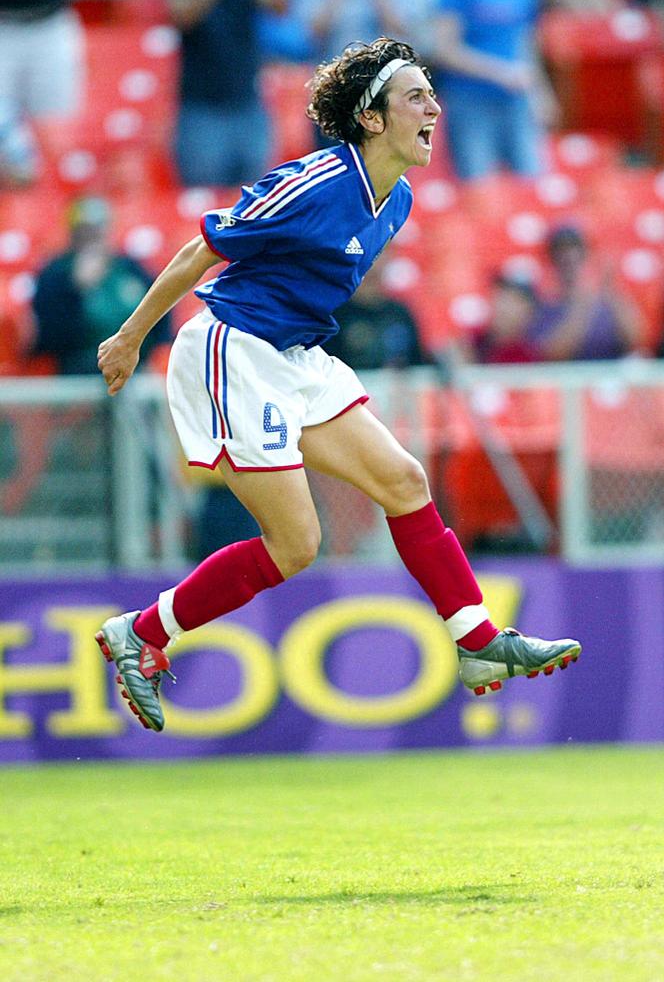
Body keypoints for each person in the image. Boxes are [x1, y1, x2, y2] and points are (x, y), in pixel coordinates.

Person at [95, 37, 580, 732]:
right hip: (236, 348)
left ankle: (478, 645)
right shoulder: (317, 182)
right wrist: (131, 336)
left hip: (297, 355)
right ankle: (142, 632)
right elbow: (201, 250)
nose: (434, 108)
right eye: (417, 96)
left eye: (433, 96)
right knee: (295, 545)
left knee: (405, 482)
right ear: (373, 118)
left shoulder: (399, 199)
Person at [431, 0, 557, 181]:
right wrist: (501, 72)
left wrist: (540, 92)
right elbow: (445, 49)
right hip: (469, 100)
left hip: (515, 99)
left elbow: (524, 42)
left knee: (532, 178)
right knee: (478, 185)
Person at [169, 0, 273, 187]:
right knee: (204, 201)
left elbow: (277, 1)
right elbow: (182, 15)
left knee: (255, 204)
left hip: (247, 105)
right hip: (201, 111)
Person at [32, 197, 170, 375]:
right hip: (77, 370)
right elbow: (47, 336)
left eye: (97, 229)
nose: (92, 237)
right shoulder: (55, 273)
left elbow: (161, 312)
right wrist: (75, 289)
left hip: (134, 367)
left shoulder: (130, 268)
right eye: (85, 231)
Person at [0, 0, 84, 188]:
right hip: (4, 28)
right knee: (8, 148)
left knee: (57, 134)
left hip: (50, 25)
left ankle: (53, 204)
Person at [533, 224, 643, 361]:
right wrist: (582, 308)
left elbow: (637, 339)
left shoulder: (607, 302)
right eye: (560, 251)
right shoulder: (544, 307)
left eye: (575, 249)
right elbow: (552, 354)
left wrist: (611, 291)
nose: (568, 256)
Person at [324, 257, 430, 370]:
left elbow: (418, 362)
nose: (373, 267)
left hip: (398, 384)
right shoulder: (337, 316)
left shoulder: (400, 312)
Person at [471, 267, 543, 364]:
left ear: (530, 311)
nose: (503, 306)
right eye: (501, 296)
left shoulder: (528, 354)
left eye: (514, 300)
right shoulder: (473, 339)